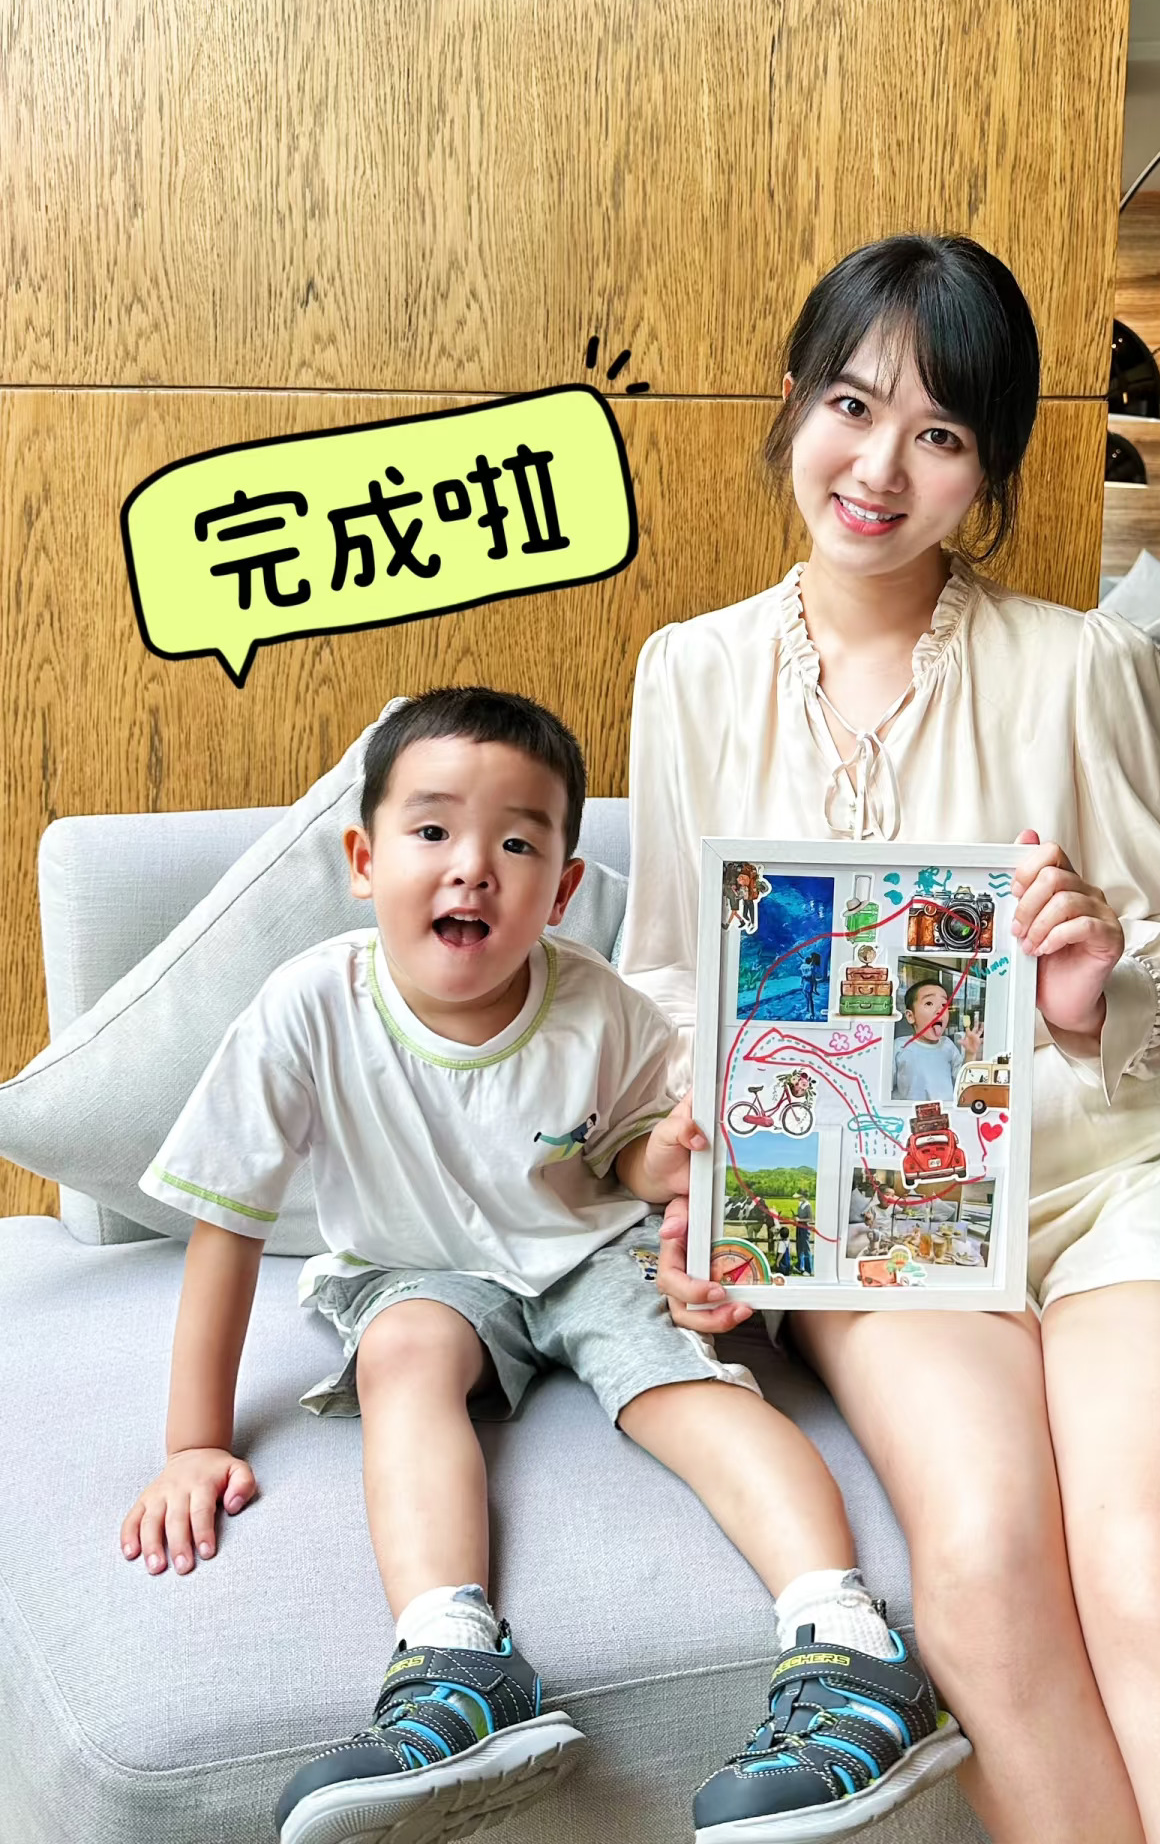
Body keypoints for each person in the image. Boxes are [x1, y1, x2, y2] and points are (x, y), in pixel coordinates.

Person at [620, 234, 1160, 1842]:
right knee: (986, 1570)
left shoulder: (1085, 665)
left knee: (1150, 1560)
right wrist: (695, 1186)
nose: (878, 469)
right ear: (796, 404)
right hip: (887, 1220)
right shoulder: (693, 674)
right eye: (851, 406)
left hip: (1114, 1180)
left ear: (987, 469)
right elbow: (669, 988)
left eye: (937, 433)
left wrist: (1091, 984)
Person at [118, 687, 969, 1844]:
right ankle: (455, 1665)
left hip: (588, 1247)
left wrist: (674, 1157)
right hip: (417, 1265)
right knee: (403, 1353)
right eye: (432, 831)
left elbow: (627, 1160)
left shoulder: (601, 1009)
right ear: (365, 862)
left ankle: (854, 1653)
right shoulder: (307, 1009)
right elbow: (227, 1228)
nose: (472, 868)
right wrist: (193, 1444)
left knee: (683, 1384)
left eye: (516, 844)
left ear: (562, 891)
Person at [892, 979, 966, 1101]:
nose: (940, 1010)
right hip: (910, 1111)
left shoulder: (948, 1045)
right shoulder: (900, 1047)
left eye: (944, 1005)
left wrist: (971, 1053)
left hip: (945, 1111)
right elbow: (884, 1088)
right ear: (910, 1016)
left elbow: (962, 1082)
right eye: (929, 1003)